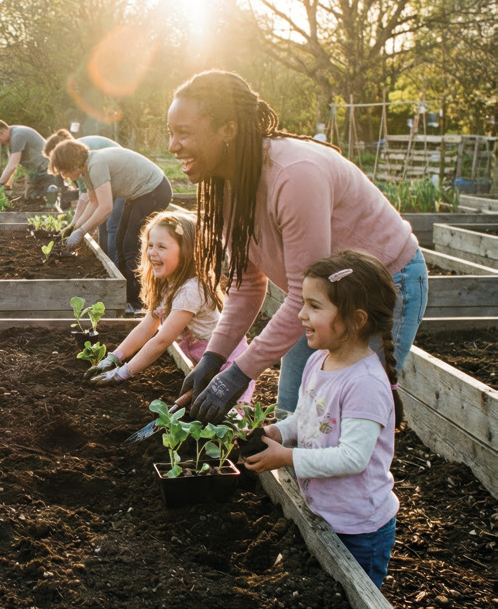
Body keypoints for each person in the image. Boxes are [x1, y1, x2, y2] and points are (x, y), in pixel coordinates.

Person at [170, 70, 426, 424]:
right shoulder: (226, 186)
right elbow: (247, 284)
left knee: (341, 418)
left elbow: (303, 292)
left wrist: (239, 373)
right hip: (318, 298)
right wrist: (214, 359)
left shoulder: (294, 174)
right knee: (292, 415)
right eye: (171, 134)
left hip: (381, 289)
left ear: (227, 129)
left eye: (184, 133)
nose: (173, 146)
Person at [245, 250, 402, 588]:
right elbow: (305, 419)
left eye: (315, 307)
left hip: (360, 528)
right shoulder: (318, 362)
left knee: (352, 595)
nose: (301, 315)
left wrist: (285, 457)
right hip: (324, 514)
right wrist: (274, 432)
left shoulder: (366, 384)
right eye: (303, 303)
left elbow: (353, 458)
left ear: (356, 320)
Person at [84, 211, 250, 400]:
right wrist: (113, 358)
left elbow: (162, 340)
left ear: (188, 251)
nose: (152, 252)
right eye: (150, 245)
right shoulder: (167, 284)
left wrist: (123, 373)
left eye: (162, 246)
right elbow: (146, 328)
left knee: (225, 420)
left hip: (227, 368)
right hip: (201, 365)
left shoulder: (192, 290)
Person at [48, 137, 172, 314]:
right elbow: (93, 202)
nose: (63, 176)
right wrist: (74, 228)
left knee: (131, 246)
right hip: (138, 194)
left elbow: (106, 207)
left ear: (72, 163)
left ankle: (138, 304)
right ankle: (126, 297)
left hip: (154, 190)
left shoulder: (95, 165)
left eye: (63, 171)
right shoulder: (86, 170)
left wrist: (82, 232)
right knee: (120, 242)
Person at [44, 128, 126, 264]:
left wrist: (76, 228)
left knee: (112, 224)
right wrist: (74, 226)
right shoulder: (75, 151)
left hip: (121, 178)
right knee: (102, 222)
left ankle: (115, 266)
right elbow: (92, 200)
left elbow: (85, 199)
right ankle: (105, 261)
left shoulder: (77, 158)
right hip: (111, 178)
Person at [0, 120, 60, 201]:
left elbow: (13, 165)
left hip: (45, 167)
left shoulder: (17, 136)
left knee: (45, 197)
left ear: (3, 132)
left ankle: (58, 196)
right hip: (34, 169)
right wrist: (7, 186)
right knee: (29, 198)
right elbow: (10, 164)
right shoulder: (11, 137)